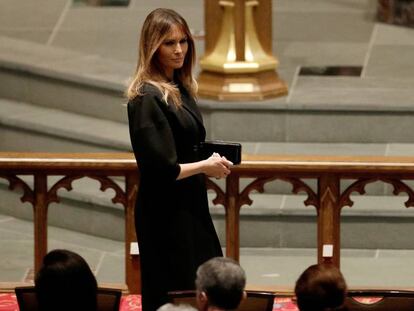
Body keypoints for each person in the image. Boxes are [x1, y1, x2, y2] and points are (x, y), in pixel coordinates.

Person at [126, 8, 232, 311]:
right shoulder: (147, 97)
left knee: (201, 284)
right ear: (152, 47)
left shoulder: (179, 88)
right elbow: (160, 169)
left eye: (183, 41)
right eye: (169, 43)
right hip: (165, 212)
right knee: (176, 290)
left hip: (189, 202)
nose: (179, 50)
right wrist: (204, 166)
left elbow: (185, 144)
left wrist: (210, 161)